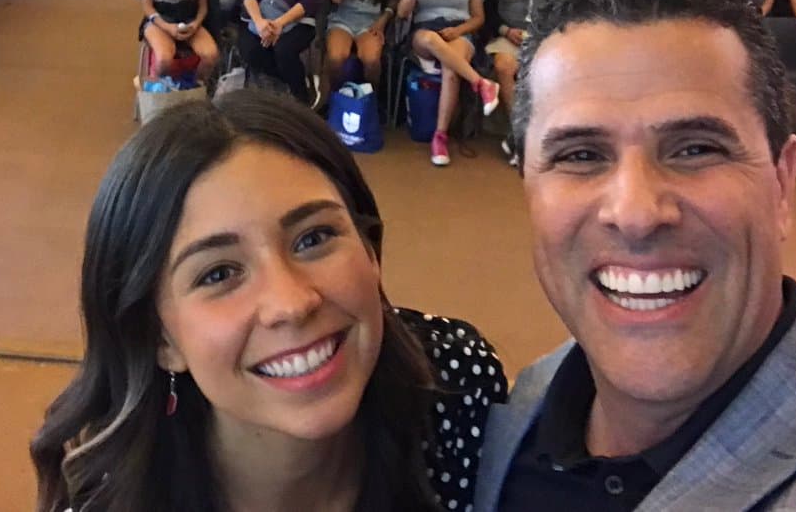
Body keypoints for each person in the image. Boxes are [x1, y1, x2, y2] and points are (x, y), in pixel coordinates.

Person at [475, 0, 796, 512]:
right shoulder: (509, 418)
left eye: (696, 149)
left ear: (781, 181)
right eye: (581, 156)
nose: (636, 214)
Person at [31, 89, 505, 511]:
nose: (290, 304)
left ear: (370, 249)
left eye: (313, 238)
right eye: (219, 274)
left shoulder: (457, 389)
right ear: (161, 340)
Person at [397, 0, 501, 166]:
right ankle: (481, 83)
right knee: (431, 39)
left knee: (451, 69)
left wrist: (459, 30)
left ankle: (440, 136)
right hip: (425, 30)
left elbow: (478, 18)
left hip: (459, 30)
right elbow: (402, 13)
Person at [482, 0, 569, 164]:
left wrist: (544, 34)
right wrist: (506, 31)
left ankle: (522, 138)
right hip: (508, 36)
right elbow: (489, 13)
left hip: (546, 37)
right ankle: (520, 135)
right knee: (504, 65)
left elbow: (566, 8)